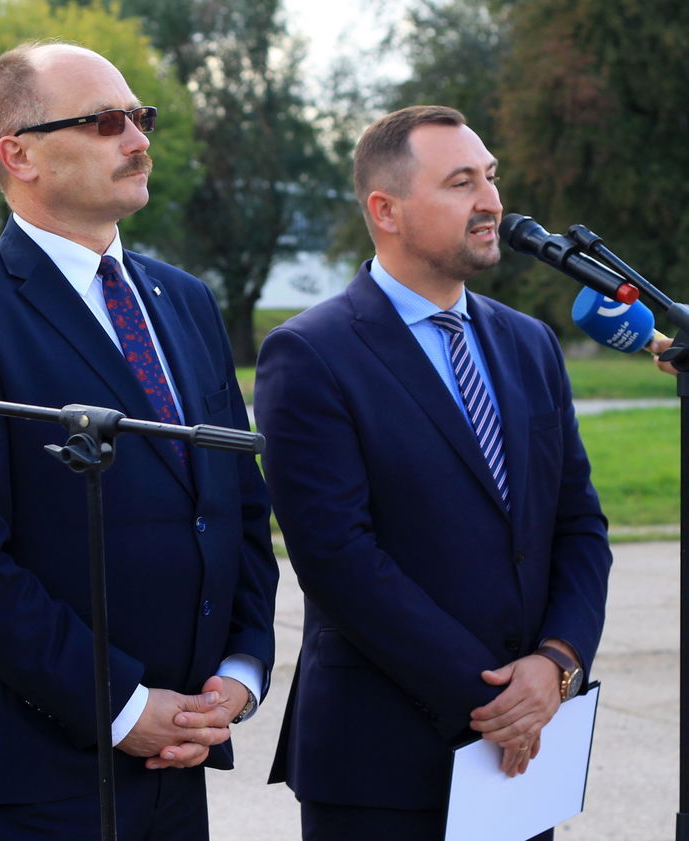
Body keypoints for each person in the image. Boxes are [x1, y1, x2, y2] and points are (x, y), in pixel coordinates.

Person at [0, 42, 277, 840]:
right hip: (34, 771)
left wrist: (238, 672)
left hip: (183, 748)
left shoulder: (185, 300)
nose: (137, 139)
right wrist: (121, 705)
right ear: (19, 155)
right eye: (105, 122)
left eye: (140, 117)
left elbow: (236, 504)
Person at [254, 105, 612, 841]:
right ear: (386, 210)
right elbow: (337, 557)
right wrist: (497, 699)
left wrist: (556, 662)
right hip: (383, 761)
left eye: (491, 178)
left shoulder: (530, 343)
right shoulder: (311, 353)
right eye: (461, 183)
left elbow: (578, 522)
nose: (491, 202)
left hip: (524, 754)